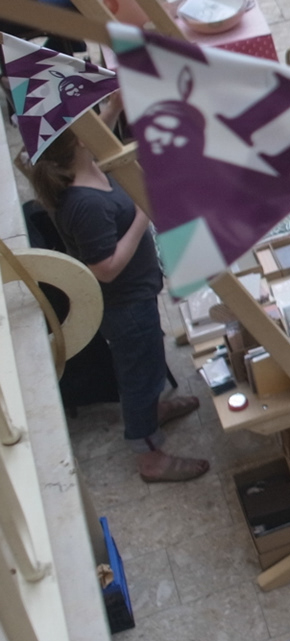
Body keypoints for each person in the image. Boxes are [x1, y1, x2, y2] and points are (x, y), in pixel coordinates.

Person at [26, 129, 207, 482]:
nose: (99, 120)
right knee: (140, 378)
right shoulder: (85, 204)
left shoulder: (81, 165)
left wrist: (113, 107)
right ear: (79, 139)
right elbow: (105, 269)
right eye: (89, 120)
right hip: (125, 307)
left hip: (135, 297)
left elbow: (90, 132)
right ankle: (149, 458)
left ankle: (153, 411)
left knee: (147, 364)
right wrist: (142, 213)